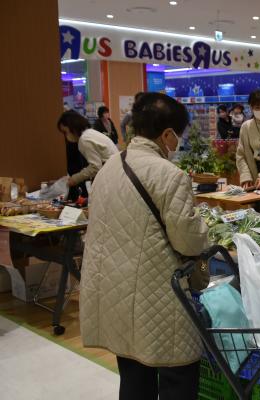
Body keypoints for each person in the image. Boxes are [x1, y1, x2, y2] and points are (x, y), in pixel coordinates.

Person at [80, 92, 210, 400]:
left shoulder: (108, 169)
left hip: (114, 293)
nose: (178, 143)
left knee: (134, 375)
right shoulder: (169, 175)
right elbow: (187, 239)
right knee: (178, 374)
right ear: (167, 134)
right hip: (159, 296)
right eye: (178, 136)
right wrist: (204, 231)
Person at [57, 110, 118, 189]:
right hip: (115, 172)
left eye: (65, 132)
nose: (66, 136)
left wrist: (74, 179)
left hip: (111, 176)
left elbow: (95, 167)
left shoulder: (84, 140)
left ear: (72, 127)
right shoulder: (90, 133)